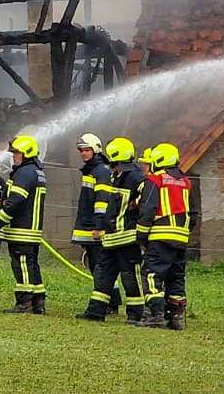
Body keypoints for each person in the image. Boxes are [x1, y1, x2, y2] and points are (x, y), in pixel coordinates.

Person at [78, 136, 146, 323]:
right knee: (104, 274)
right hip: (111, 237)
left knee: (130, 275)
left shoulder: (136, 177)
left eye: (114, 163)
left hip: (126, 238)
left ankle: (136, 314)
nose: (113, 168)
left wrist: (136, 204)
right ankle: (96, 311)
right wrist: (101, 226)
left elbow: (147, 200)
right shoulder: (116, 176)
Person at [138, 143, 193, 330]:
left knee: (152, 275)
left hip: (160, 236)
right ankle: (176, 318)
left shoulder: (155, 181)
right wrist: (184, 232)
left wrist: (142, 236)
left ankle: (155, 315)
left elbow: (147, 209)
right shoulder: (186, 182)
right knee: (176, 277)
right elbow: (194, 213)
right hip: (181, 239)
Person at [0, 133, 49, 314]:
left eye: (17, 154)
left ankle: (25, 303)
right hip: (31, 229)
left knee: (22, 264)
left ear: (26, 154)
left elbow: (17, 200)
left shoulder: (24, 172)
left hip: (22, 229)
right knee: (32, 264)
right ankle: (38, 302)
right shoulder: (36, 172)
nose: (14, 157)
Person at [72, 133, 112, 309]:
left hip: (95, 227)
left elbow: (102, 201)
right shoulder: (92, 170)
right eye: (81, 150)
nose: (83, 153)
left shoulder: (101, 171)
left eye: (87, 150)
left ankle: (107, 302)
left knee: (100, 266)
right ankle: (111, 301)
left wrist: (98, 225)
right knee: (96, 264)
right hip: (88, 225)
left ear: (95, 150)